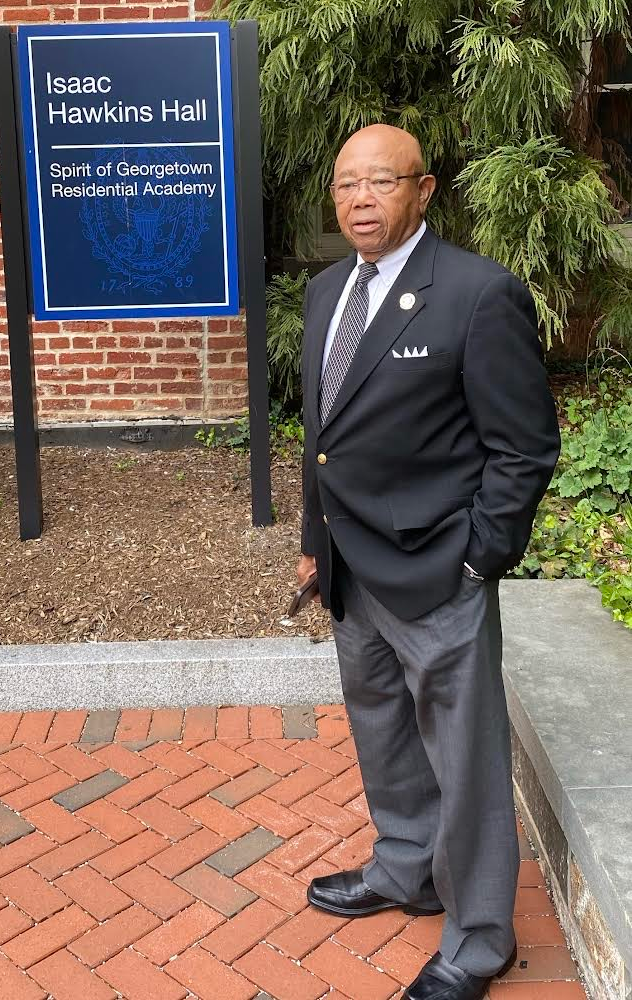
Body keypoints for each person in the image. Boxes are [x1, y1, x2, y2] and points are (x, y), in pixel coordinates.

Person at [297, 124, 561, 1000]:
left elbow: (522, 448)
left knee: (466, 759)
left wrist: (480, 559)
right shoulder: (328, 290)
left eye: (380, 182)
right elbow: (324, 439)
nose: (359, 200)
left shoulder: (478, 295)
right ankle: (405, 866)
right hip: (352, 566)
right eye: (345, 185)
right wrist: (313, 540)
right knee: (383, 733)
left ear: (424, 190)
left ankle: (480, 939)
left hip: (441, 570)